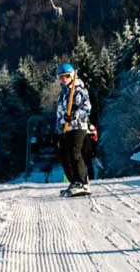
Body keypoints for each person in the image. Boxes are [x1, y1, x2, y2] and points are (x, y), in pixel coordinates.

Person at [53, 63, 93, 196]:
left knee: (74, 152)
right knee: (64, 155)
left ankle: (83, 182)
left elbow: (87, 108)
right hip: (65, 129)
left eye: (66, 76)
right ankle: (74, 181)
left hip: (78, 126)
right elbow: (59, 114)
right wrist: (57, 130)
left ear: (71, 76)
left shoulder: (79, 90)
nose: (63, 79)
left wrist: (75, 115)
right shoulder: (62, 94)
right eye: (60, 77)